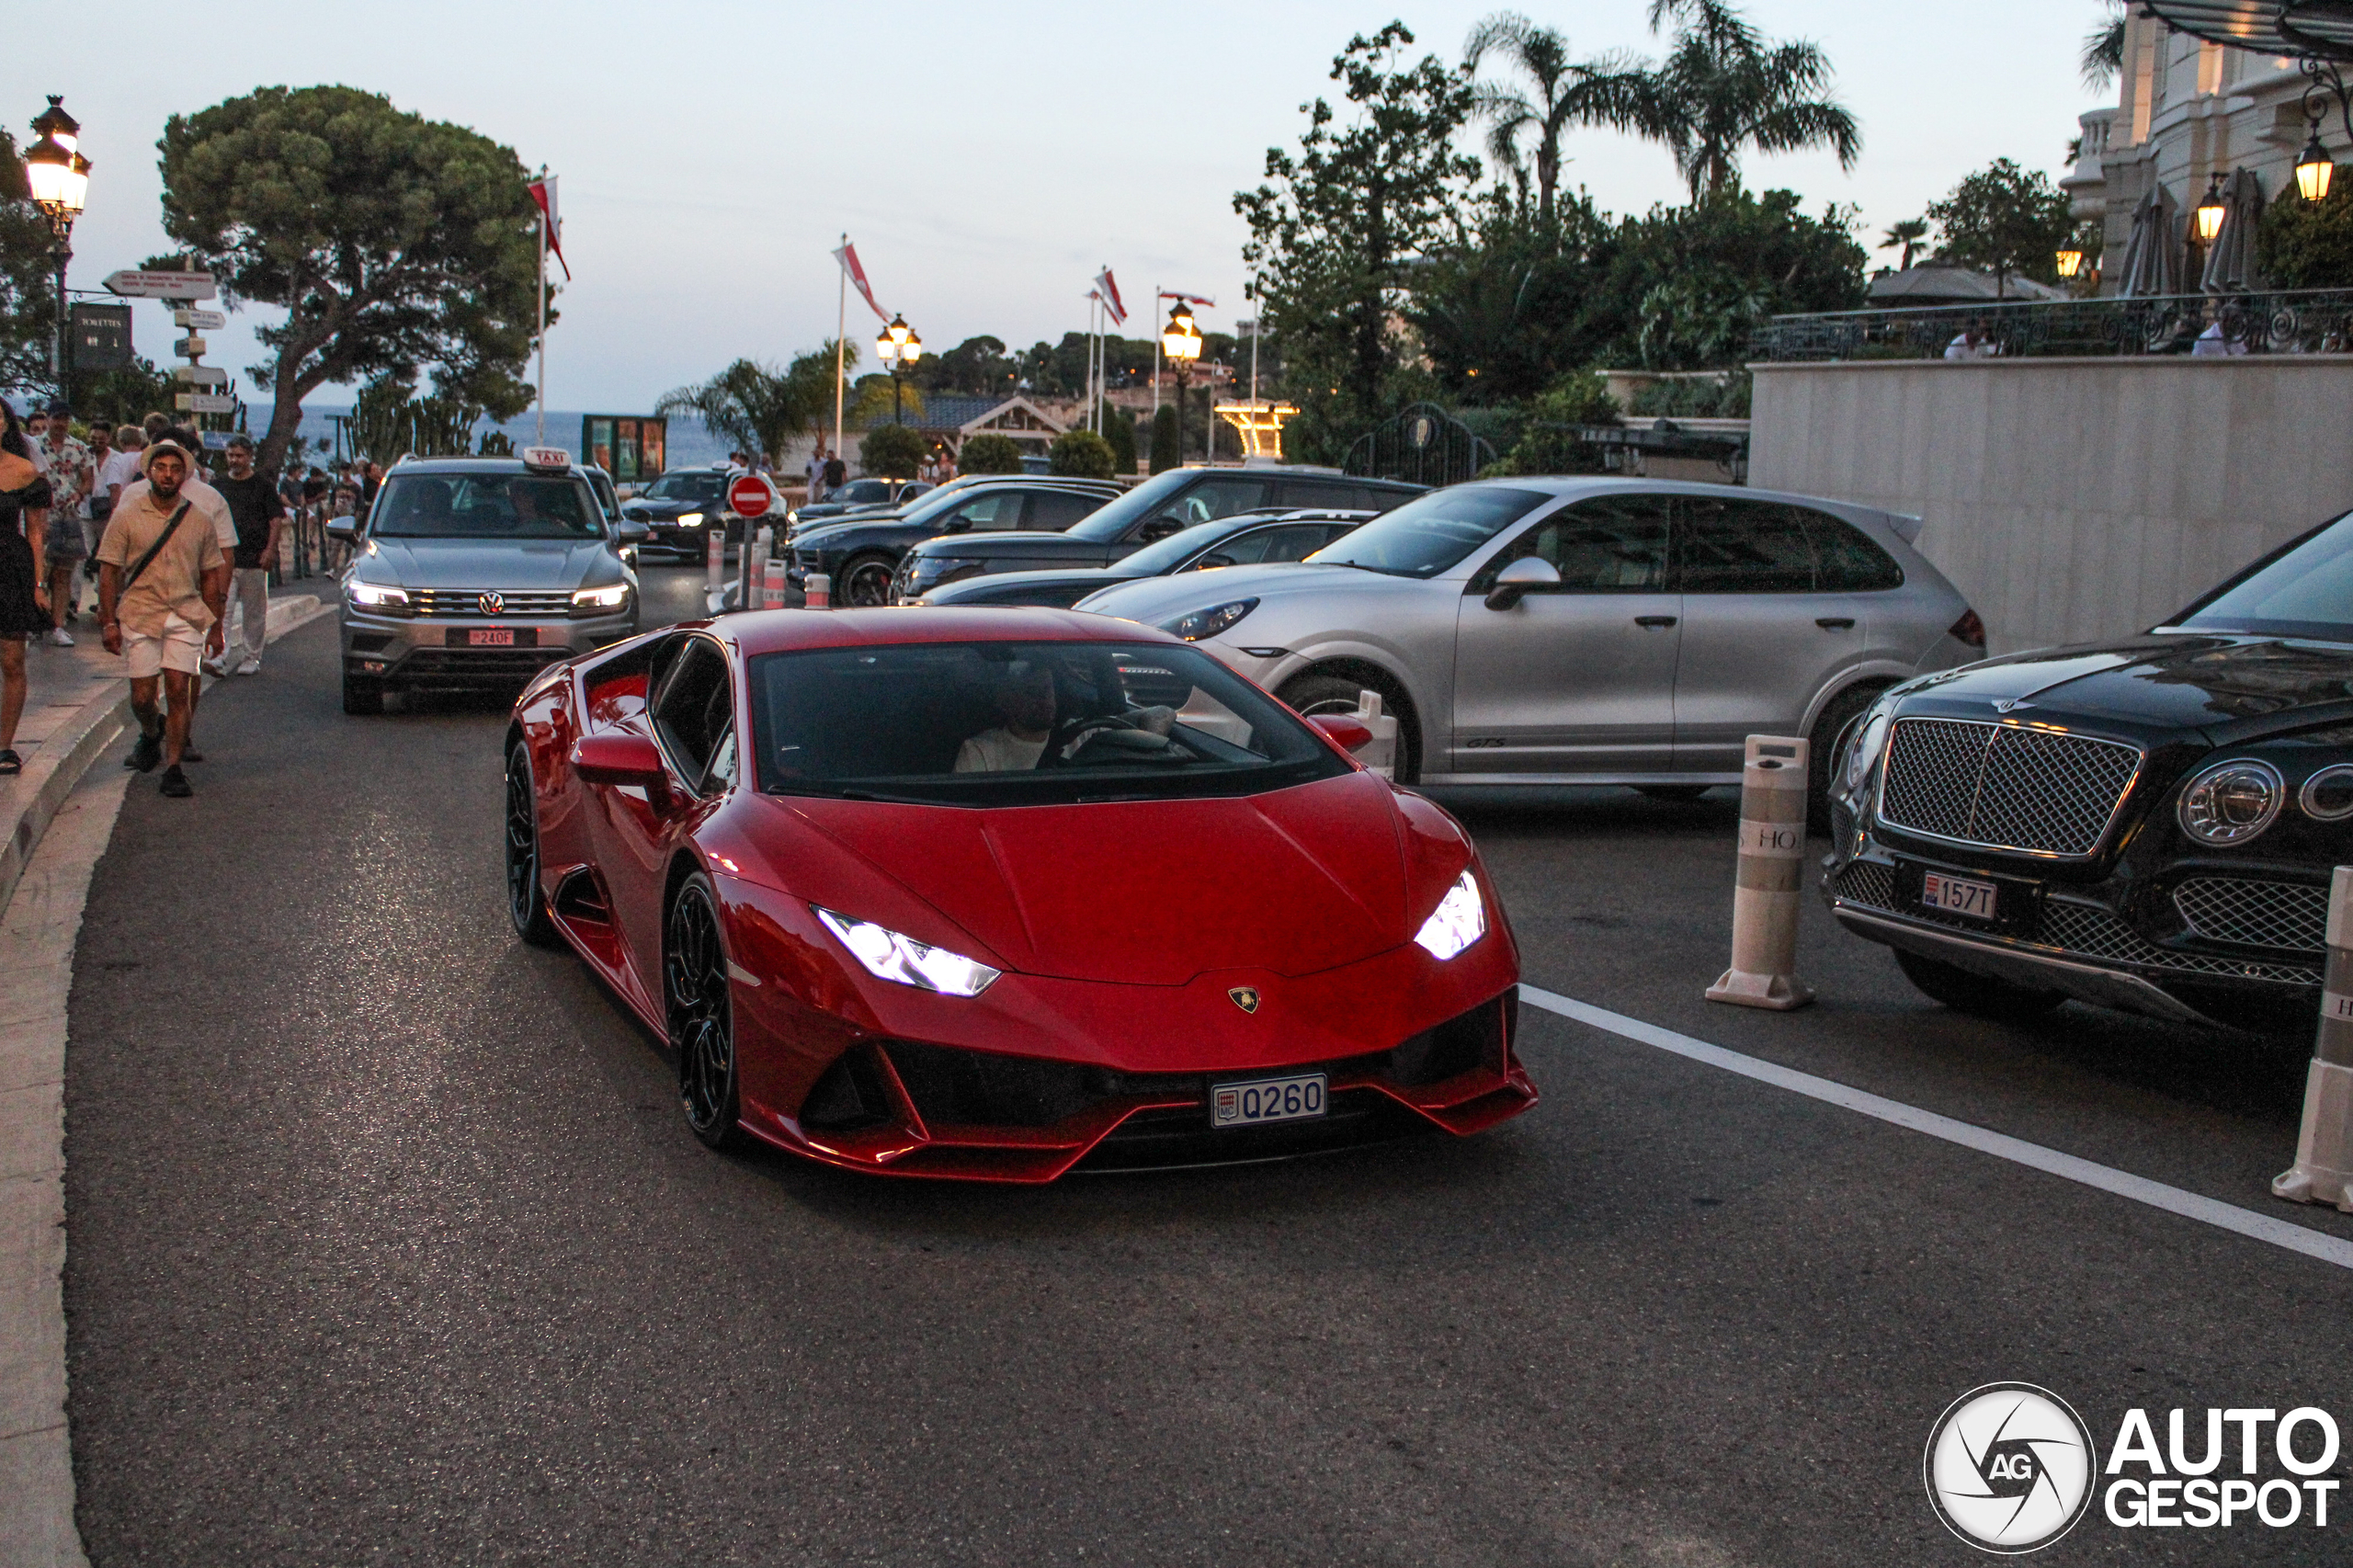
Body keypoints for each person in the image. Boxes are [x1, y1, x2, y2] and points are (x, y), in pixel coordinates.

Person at [96, 439, 225, 799]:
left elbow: (211, 575)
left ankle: (173, 768)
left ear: (184, 476)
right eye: (161, 468)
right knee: (141, 697)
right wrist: (108, 621)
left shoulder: (198, 519)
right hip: (140, 612)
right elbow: (109, 571)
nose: (168, 475)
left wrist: (217, 627)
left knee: (178, 689)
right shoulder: (127, 515)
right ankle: (152, 733)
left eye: (175, 469)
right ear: (148, 471)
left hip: (185, 612)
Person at [0, 402, 53, 776]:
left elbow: (36, 533)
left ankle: (4, 746)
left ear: (6, 424)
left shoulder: (24, 472)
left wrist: (38, 584)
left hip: (9, 566)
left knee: (12, 660)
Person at [213, 436, 285, 675]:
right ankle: (218, 656)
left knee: (254, 613)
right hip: (225, 560)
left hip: (254, 559)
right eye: (231, 455)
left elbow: (275, 520)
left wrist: (270, 550)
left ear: (250, 457)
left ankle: (251, 656)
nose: (234, 460)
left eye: (239, 456)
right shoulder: (219, 485)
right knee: (223, 609)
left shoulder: (262, 485)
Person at [31, 402, 91, 647]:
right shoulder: (35, 446)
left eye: (65, 419)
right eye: (57, 418)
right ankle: (35, 622)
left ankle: (58, 625)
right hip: (39, 514)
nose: (61, 423)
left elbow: (88, 480)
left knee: (63, 573)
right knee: (39, 570)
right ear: (50, 418)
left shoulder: (79, 448)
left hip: (67, 515)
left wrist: (78, 494)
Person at [954, 660, 1059, 772]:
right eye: (1031, 691)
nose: (1043, 698)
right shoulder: (980, 751)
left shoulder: (1077, 735)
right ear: (1005, 701)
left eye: (1047, 688)